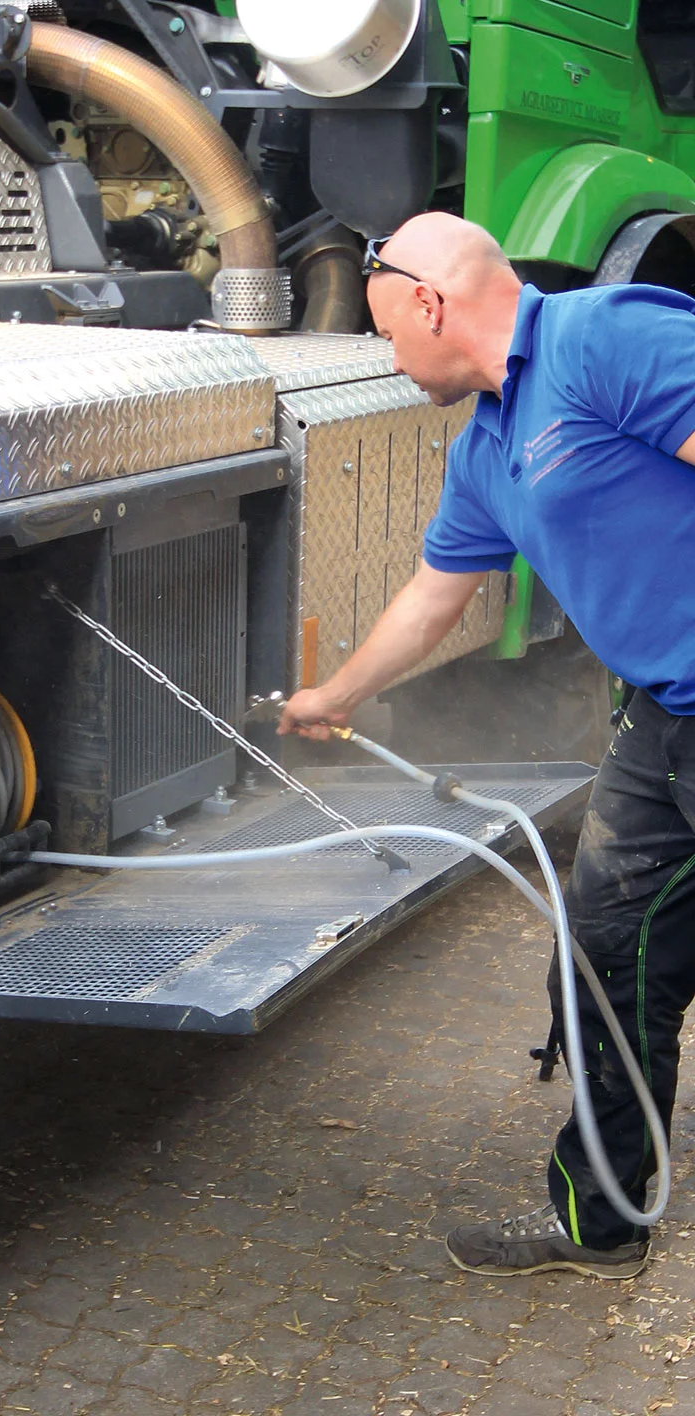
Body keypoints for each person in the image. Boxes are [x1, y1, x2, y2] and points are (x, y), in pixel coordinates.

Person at [278, 211, 695, 1279]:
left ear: (429, 302)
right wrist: (336, 694)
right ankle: (603, 1224)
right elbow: (433, 598)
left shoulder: (606, 339)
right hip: (663, 723)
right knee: (601, 957)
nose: (390, 360)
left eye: (388, 335)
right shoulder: (486, 451)